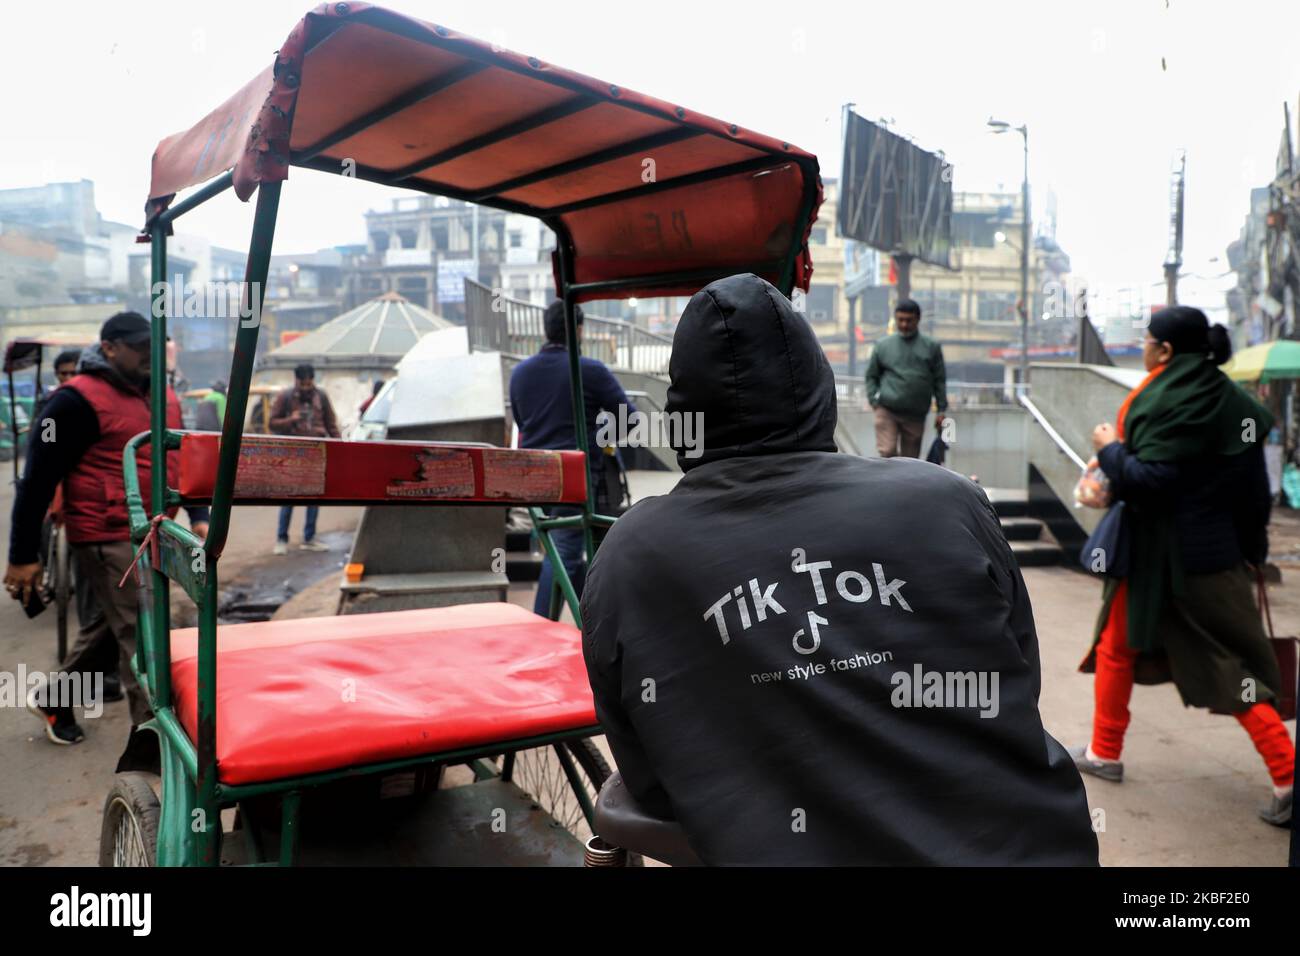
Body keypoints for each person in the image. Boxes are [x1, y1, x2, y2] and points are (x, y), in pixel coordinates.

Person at [581, 273, 1098, 865]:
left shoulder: (632, 552)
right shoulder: (947, 499)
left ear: (683, 413)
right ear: (819, 387)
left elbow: (648, 775)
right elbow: (1018, 682)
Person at [1073, 306, 1294, 827]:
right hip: (1215, 553)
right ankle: (1104, 751)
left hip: (1168, 562)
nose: (1145, 350)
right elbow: (1253, 491)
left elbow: (1152, 482)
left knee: (1224, 668)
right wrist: (1252, 550)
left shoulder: (1167, 399)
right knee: (1117, 646)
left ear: (1165, 352)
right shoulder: (1232, 403)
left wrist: (1108, 451)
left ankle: (1289, 776)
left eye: (1148, 342)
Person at [4, 312, 181, 762]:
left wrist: (195, 512)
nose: (149, 354)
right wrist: (24, 554)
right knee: (146, 638)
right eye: (140, 345)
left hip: (155, 530)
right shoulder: (73, 402)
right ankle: (149, 758)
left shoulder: (161, 394)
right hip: (108, 535)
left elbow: (178, 455)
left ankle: (55, 698)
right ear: (108, 348)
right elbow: (37, 479)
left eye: (154, 345)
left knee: (112, 628)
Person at [509, 301, 634, 617]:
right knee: (563, 551)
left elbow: (524, 424)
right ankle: (540, 626)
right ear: (579, 330)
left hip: (533, 482)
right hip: (574, 479)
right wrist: (599, 435)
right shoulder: (588, 370)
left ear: (545, 330)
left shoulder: (519, 375)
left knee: (565, 550)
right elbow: (630, 419)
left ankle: (598, 623)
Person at [268, 363, 339, 554]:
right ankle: (281, 539)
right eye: (303, 384)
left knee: (314, 497)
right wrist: (292, 419)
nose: (306, 388)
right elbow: (272, 423)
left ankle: (309, 538)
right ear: (296, 380)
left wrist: (339, 446)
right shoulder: (286, 396)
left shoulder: (321, 396)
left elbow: (331, 424)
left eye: (309, 384)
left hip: (316, 453)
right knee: (288, 497)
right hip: (292, 454)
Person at [865, 298, 948, 459]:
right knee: (887, 452)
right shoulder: (882, 346)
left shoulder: (931, 347)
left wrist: (941, 410)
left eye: (909, 320)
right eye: (900, 320)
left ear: (918, 319)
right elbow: (871, 376)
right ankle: (886, 484)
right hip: (887, 410)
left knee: (909, 462)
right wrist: (874, 400)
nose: (904, 324)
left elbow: (939, 380)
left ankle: (902, 485)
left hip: (916, 414)